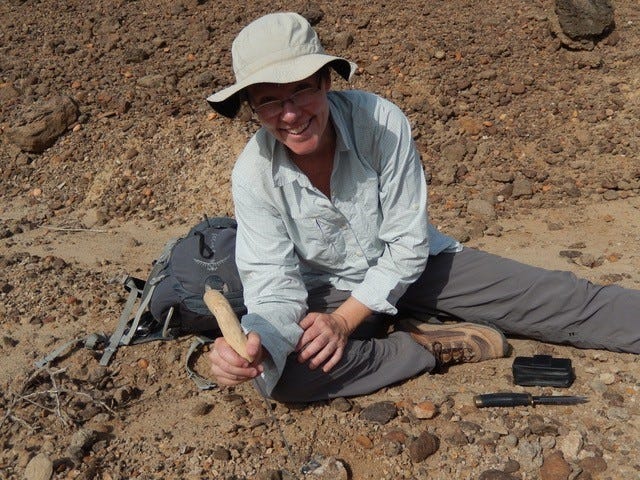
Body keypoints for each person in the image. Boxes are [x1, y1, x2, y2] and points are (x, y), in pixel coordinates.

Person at [205, 12, 640, 403]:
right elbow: (273, 284)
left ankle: (411, 317)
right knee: (278, 377)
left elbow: (408, 244)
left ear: (326, 82)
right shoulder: (253, 174)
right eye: (269, 101)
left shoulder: (379, 123)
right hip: (330, 287)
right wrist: (253, 344)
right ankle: (421, 347)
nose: (291, 114)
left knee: (558, 299)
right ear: (252, 108)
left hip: (417, 267)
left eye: (302, 90)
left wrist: (345, 323)